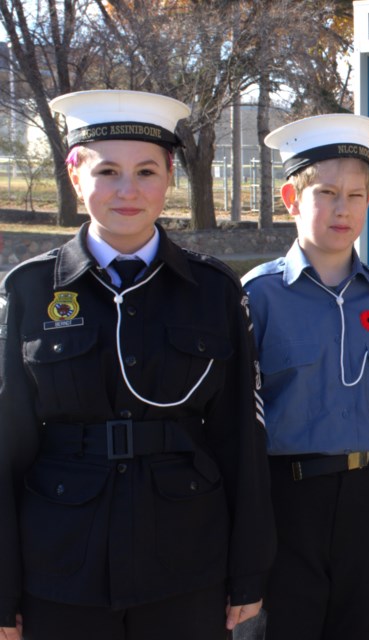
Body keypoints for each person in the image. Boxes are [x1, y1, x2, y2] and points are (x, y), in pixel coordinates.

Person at [0, 89, 274, 640]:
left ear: (170, 175)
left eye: (146, 170)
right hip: (60, 562)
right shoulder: (29, 290)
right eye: (107, 171)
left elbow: (241, 436)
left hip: (184, 558)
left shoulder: (213, 291)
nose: (128, 190)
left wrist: (247, 573)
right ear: (75, 174)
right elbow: (6, 446)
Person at [241, 113, 369, 640]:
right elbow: (236, 424)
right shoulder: (257, 298)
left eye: (357, 194)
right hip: (287, 505)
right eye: (326, 192)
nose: (343, 208)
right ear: (291, 198)